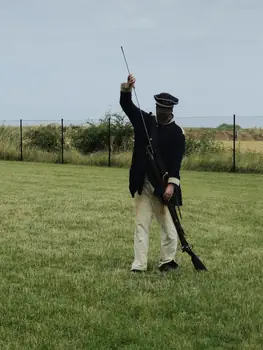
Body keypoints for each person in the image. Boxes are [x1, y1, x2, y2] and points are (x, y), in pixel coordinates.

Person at [119, 73, 186, 272]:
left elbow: (176, 163)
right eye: (159, 108)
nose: (162, 112)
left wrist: (171, 185)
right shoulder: (145, 121)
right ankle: (139, 265)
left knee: (170, 229)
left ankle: (167, 261)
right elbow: (126, 105)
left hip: (163, 186)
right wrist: (127, 88)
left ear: (171, 109)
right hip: (142, 183)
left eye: (165, 109)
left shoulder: (177, 133)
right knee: (141, 226)